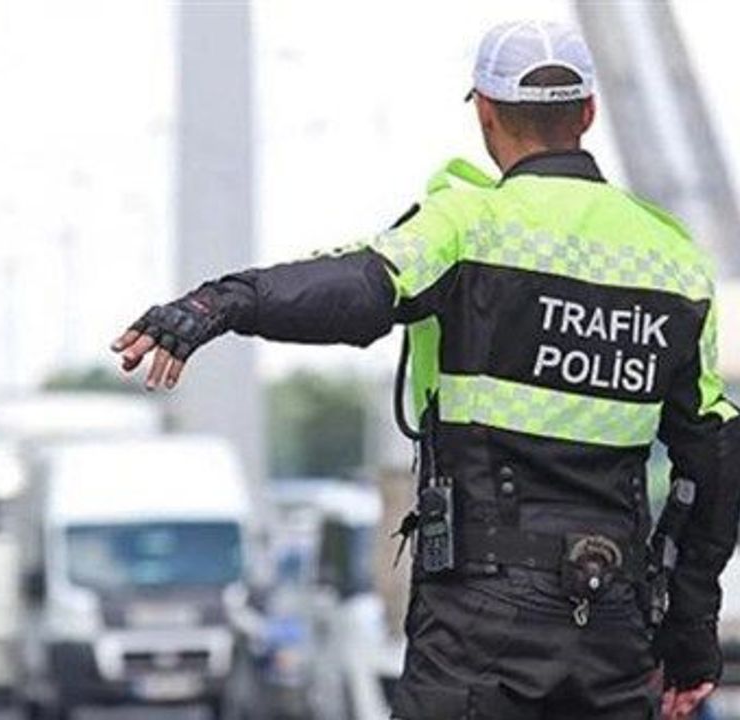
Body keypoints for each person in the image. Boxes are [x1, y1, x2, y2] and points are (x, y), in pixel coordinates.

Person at [112, 20, 739, 720]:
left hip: (481, 623)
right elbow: (714, 459)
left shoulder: (468, 224)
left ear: (486, 111)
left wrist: (222, 302)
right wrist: (689, 635)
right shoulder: (672, 260)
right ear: (589, 112)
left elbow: (355, 289)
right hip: (613, 624)